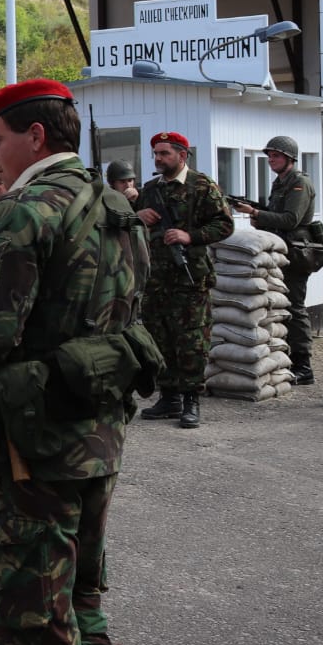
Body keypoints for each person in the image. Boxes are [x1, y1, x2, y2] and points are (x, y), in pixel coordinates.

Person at [0, 79, 153, 645]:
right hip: (97, 430)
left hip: (35, 441)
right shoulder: (116, 207)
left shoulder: (27, 209)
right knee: (80, 594)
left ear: (36, 136)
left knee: (24, 615)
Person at [133, 132, 234, 429]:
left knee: (190, 340)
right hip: (156, 278)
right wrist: (138, 215)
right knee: (159, 337)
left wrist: (191, 236)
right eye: (156, 153)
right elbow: (126, 222)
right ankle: (169, 396)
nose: (159, 159)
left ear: (182, 155)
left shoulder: (201, 186)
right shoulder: (150, 190)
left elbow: (224, 223)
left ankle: (191, 398)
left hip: (189, 278)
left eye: (165, 153)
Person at [234, 135, 317, 384]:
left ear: (290, 158)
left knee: (295, 306)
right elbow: (276, 214)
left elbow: (291, 219)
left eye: (276, 156)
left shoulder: (299, 183)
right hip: (280, 251)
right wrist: (255, 211)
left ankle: (304, 365)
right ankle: (288, 358)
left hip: (296, 251)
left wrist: (257, 213)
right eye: (269, 156)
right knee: (280, 307)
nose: (271, 160)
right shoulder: (280, 182)